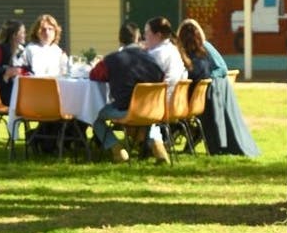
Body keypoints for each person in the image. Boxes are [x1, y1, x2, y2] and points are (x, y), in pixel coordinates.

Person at [177, 17, 259, 157]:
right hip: (213, 92)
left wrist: (210, 80)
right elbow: (222, 68)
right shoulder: (203, 50)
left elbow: (220, 69)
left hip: (206, 94)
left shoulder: (200, 52)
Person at [90, 21, 169, 163]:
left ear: (120, 40)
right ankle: (158, 149)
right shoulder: (151, 59)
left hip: (125, 109)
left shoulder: (112, 59)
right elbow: (161, 78)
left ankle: (117, 149)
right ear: (138, 38)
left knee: (94, 116)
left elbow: (94, 75)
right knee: (149, 121)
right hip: (150, 109)